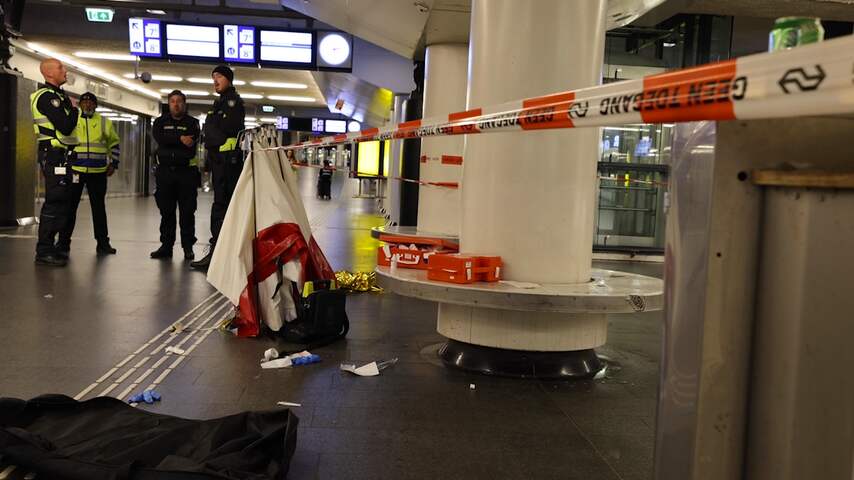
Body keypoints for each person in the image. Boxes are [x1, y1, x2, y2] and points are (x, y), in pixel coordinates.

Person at [190, 65, 245, 271]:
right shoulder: (219, 103)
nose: (215, 80)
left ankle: (219, 254)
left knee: (223, 207)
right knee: (220, 206)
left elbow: (223, 131)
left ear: (229, 79)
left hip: (228, 162)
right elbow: (210, 132)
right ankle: (219, 252)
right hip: (219, 161)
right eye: (213, 77)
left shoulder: (232, 103)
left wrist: (212, 135)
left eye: (219, 76)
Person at [57, 92, 119, 257]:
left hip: (98, 173)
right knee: (69, 208)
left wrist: (114, 163)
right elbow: (62, 141)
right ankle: (63, 243)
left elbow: (114, 143)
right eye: (84, 102)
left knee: (99, 209)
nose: (88, 105)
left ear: (95, 105)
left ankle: (103, 243)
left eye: (91, 102)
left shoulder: (104, 122)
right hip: (76, 171)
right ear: (80, 105)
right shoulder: (72, 120)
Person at [30, 58, 79, 266]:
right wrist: (75, 110)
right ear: (49, 73)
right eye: (60, 68)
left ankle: (54, 248)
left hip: (63, 156)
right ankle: (44, 251)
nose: (65, 70)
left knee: (63, 204)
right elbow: (65, 126)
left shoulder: (60, 96)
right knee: (54, 203)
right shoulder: (47, 97)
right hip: (54, 155)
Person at [150, 90, 200, 260]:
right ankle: (166, 246)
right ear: (169, 104)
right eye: (172, 101)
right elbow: (160, 138)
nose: (176, 104)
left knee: (187, 212)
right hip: (165, 173)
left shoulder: (193, 123)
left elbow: (190, 142)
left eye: (179, 101)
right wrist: (180, 138)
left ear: (184, 104)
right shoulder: (159, 122)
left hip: (186, 173)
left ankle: (188, 247)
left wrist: (171, 138)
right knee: (166, 212)